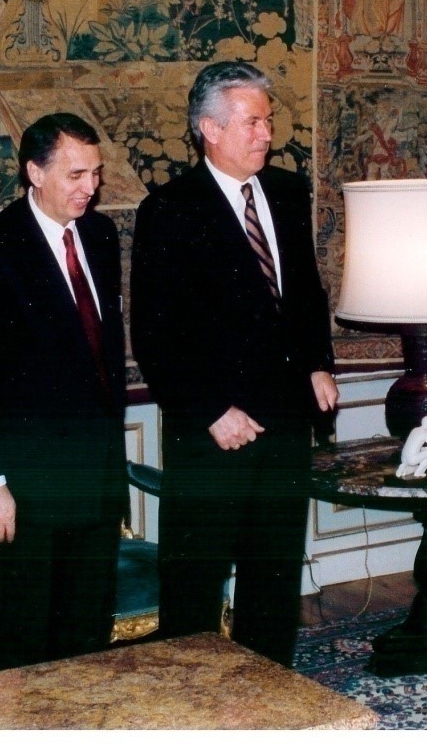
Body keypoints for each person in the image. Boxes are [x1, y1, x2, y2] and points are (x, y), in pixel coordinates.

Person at [131, 60, 339, 667]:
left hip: (284, 422)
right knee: (194, 589)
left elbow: (305, 291)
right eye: (251, 122)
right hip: (213, 431)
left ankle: (269, 706)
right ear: (209, 130)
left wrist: (318, 363)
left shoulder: (285, 191)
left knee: (273, 581)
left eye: (268, 121)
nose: (265, 134)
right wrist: (211, 412)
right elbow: (155, 335)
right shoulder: (170, 210)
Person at [0, 113, 128, 669]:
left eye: (95, 174)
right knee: (30, 645)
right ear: (34, 172)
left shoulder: (99, 237)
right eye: (75, 175)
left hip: (95, 479)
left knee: (88, 639)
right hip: (25, 489)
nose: (89, 188)